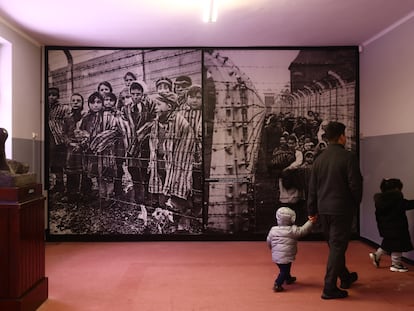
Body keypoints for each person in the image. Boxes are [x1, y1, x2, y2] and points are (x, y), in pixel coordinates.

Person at [307, 121, 363, 300]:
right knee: (338, 247)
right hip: (341, 210)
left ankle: (345, 277)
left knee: (334, 246)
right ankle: (329, 287)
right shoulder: (348, 157)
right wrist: (355, 204)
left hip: (324, 210)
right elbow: (356, 186)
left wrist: (311, 210)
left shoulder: (319, 159)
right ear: (341, 137)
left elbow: (312, 188)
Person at [369, 178, 414, 272]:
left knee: (388, 243)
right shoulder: (396, 200)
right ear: (396, 189)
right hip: (397, 227)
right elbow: (407, 205)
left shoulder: (380, 201)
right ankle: (396, 264)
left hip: (386, 227)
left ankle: (376, 255)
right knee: (398, 245)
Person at [266, 207, 315, 292]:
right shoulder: (292, 230)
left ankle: (288, 278)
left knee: (286, 267)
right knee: (284, 271)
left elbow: (268, 241)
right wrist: (310, 222)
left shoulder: (273, 230)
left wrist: (272, 249)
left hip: (276, 256)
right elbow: (303, 230)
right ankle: (277, 284)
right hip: (286, 255)